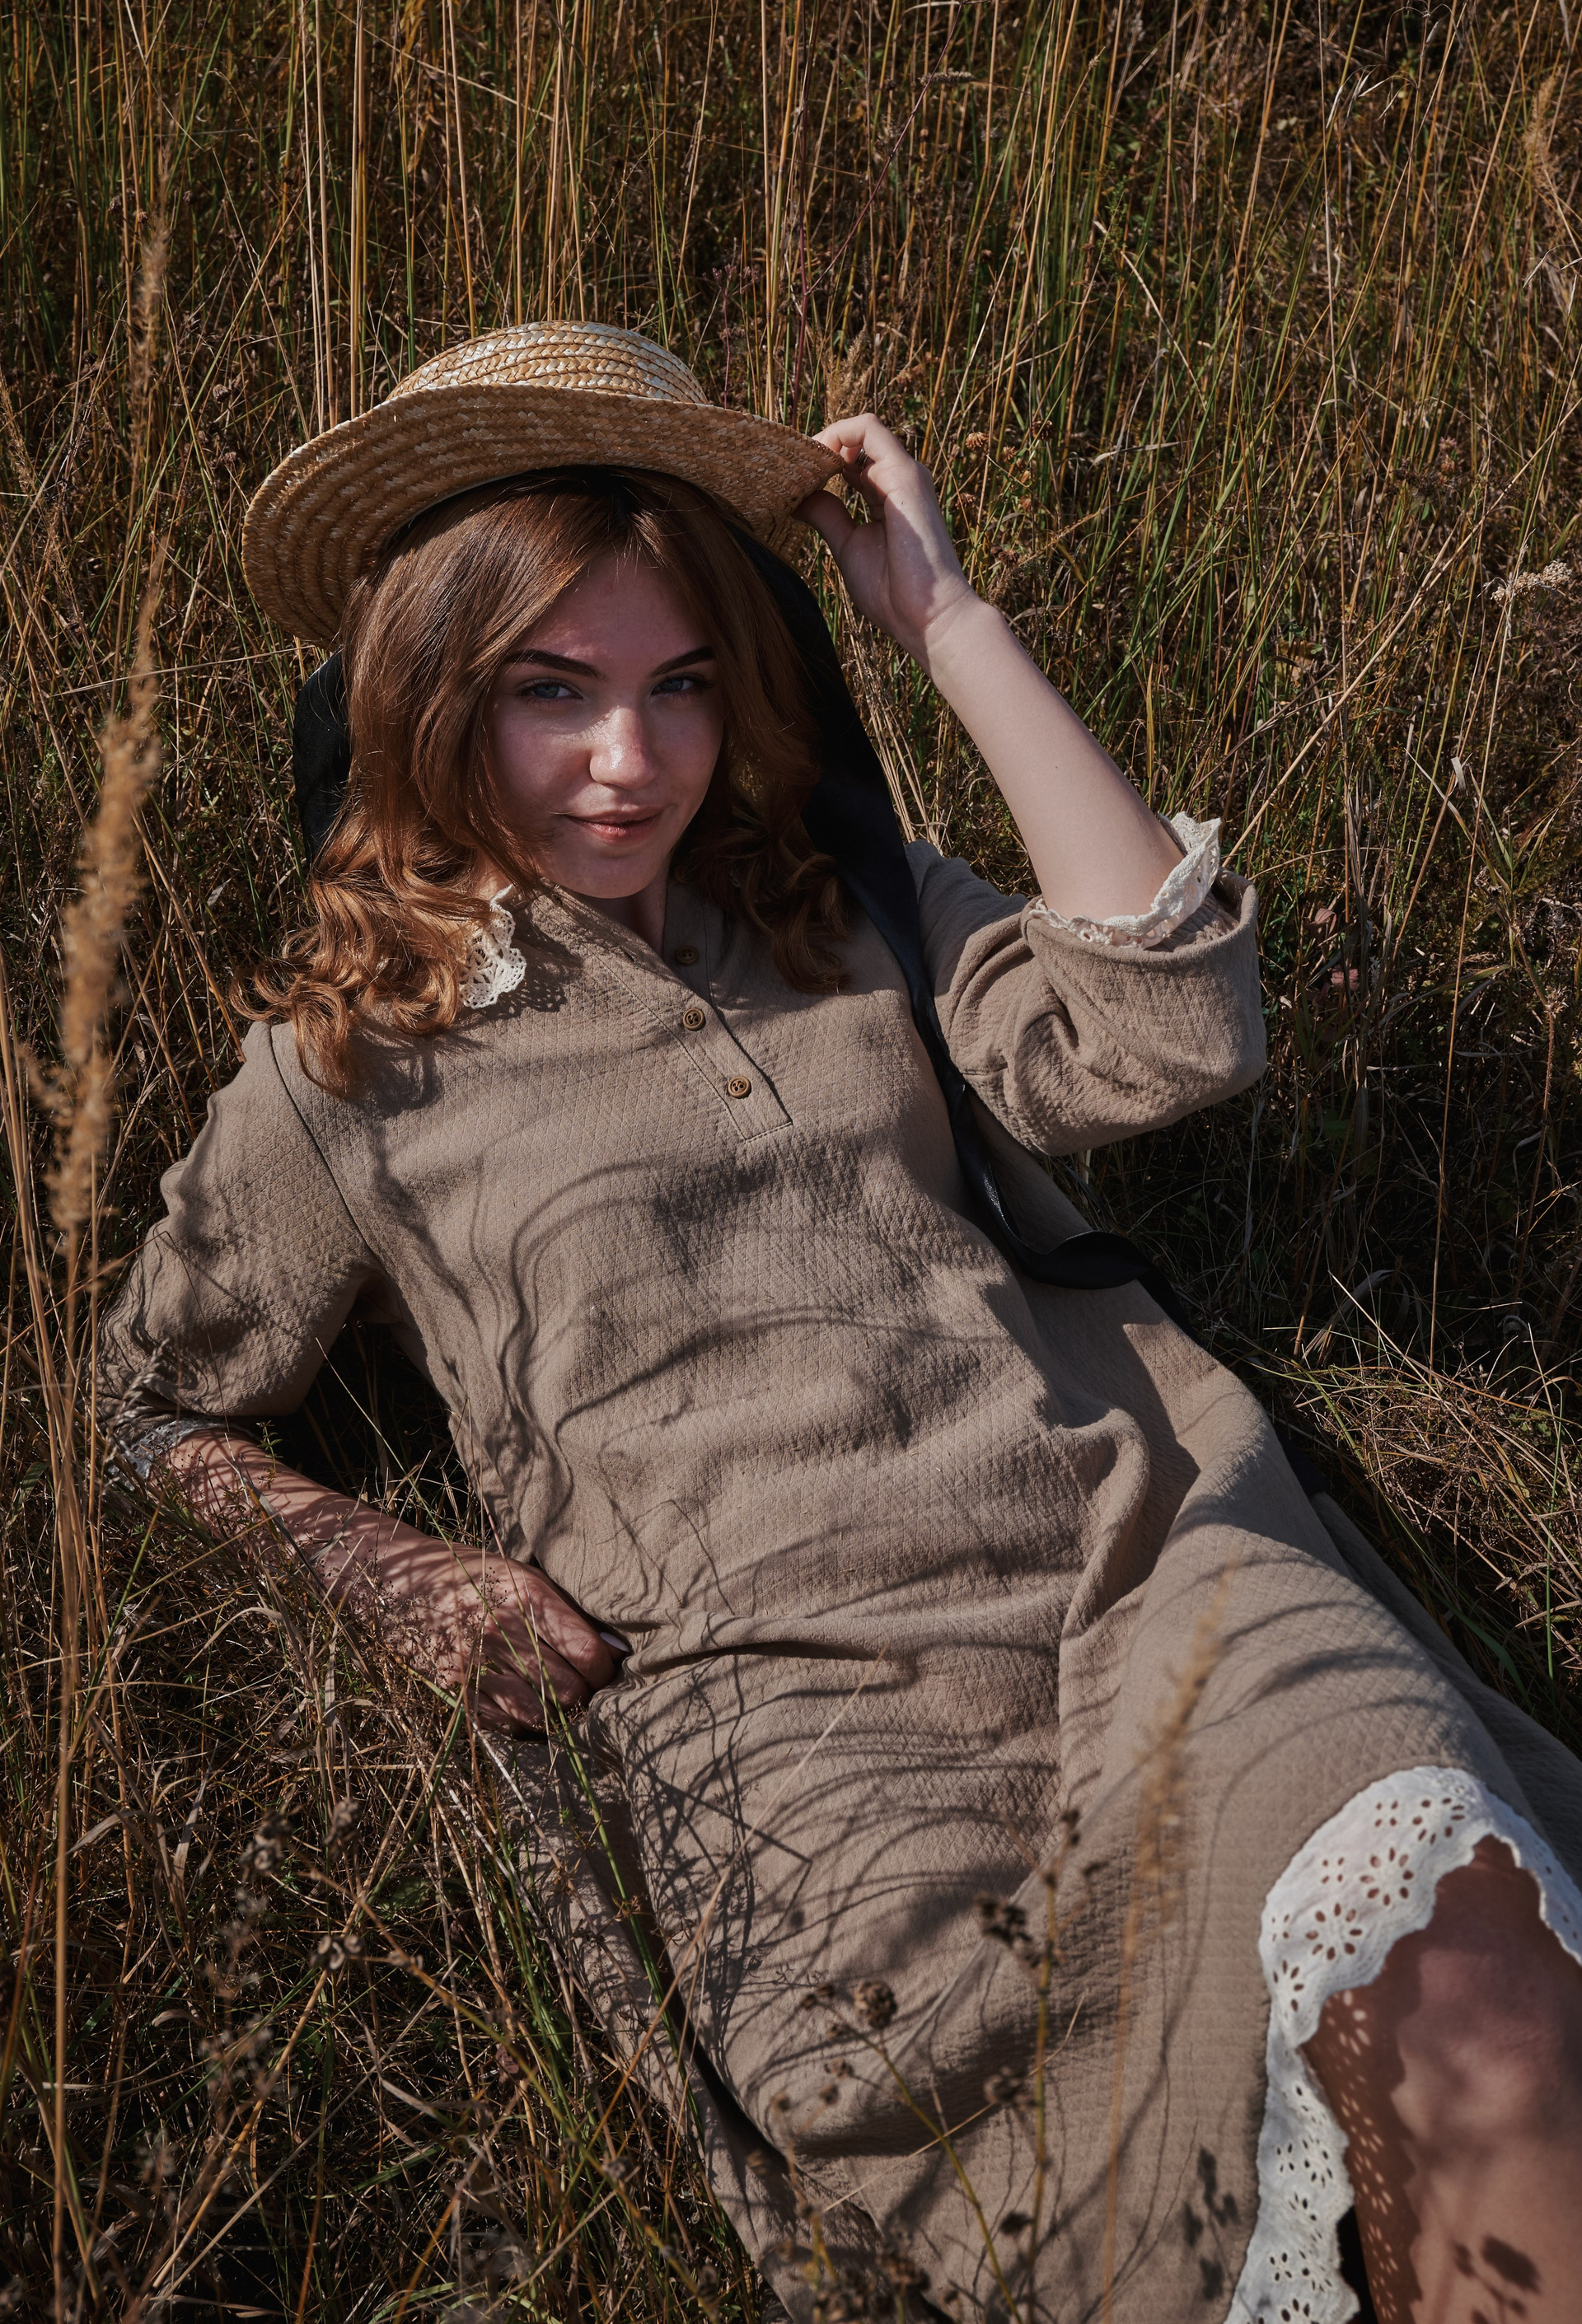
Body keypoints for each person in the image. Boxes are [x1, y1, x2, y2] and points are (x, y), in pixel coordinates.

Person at [100, 320, 1582, 2324]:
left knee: (1471, 1979)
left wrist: (946, 621)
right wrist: (388, 1570)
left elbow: (1176, 1031)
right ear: (429, 691)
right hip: (804, 1732)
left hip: (1160, 1569)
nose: (632, 760)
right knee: (1148, 2179)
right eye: (552, 690)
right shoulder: (346, 1062)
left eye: (682, 684)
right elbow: (149, 1406)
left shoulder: (841, 902)